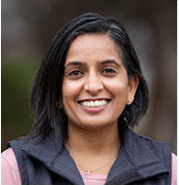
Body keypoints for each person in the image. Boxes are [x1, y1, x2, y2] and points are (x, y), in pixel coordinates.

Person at [1, 13, 177, 185]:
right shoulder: (14, 168)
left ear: (130, 88)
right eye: (75, 73)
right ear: (56, 92)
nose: (93, 86)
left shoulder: (167, 171)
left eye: (108, 70)